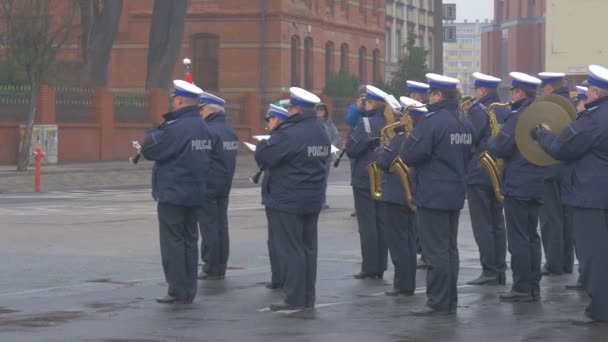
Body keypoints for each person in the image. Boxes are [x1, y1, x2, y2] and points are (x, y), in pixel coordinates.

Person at [535, 64, 608, 324]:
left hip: (590, 196)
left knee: (593, 256)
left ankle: (600, 310)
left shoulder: (592, 120)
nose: (584, 93)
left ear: (597, 93)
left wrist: (541, 135)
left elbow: (562, 148)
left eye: (588, 89)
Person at [400, 73, 472, 316]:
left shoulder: (433, 121)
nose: (428, 98)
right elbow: (468, 155)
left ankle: (438, 301)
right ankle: (449, 300)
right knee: (449, 249)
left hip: (432, 193)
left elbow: (409, 154)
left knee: (435, 252)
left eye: (431, 94)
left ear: (438, 95)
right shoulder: (463, 121)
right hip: (453, 193)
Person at [255, 87, 330, 311]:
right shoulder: (321, 130)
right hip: (312, 197)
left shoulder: (289, 132)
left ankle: (295, 298)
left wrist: (263, 142)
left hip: (288, 198)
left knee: (292, 249)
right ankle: (307, 296)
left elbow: (265, 155)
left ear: (296, 109)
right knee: (308, 248)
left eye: (290, 107)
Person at [140, 80, 211, 304]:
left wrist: (153, 131)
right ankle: (189, 289)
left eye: (174, 100)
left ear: (179, 101)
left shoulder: (175, 128)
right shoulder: (203, 127)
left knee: (173, 243)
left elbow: (150, 148)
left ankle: (177, 290)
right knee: (190, 241)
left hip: (173, 192)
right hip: (195, 191)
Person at [487, 72, 545, 303]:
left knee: (519, 239)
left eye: (512, 90)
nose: (510, 94)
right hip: (536, 182)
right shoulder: (538, 113)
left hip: (518, 184)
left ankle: (521, 287)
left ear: (519, 92)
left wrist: (492, 139)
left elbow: (501, 146)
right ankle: (533, 286)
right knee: (532, 236)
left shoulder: (517, 115)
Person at [374, 96, 425, 296]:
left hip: (395, 195)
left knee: (398, 243)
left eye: (402, 115)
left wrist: (381, 149)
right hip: (409, 194)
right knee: (409, 241)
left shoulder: (401, 138)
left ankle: (402, 284)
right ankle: (407, 282)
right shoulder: (417, 136)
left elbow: (384, 162)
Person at [464, 72, 508, 286]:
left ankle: (489, 270)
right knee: (497, 223)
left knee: (483, 224)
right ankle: (499, 269)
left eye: (475, 91)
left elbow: (469, 137)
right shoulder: (504, 108)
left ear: (481, 91)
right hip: (499, 172)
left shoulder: (477, 111)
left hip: (480, 171)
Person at [345, 85, 391, 280]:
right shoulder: (388, 122)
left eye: (367, 101)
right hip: (382, 177)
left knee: (367, 224)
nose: (364, 104)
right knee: (381, 223)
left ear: (373, 104)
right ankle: (380, 265)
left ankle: (370, 267)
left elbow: (352, 149)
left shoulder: (367, 124)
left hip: (365, 178)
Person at [197, 91, 239, 280]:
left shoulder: (208, 131)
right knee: (222, 226)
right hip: (225, 183)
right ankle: (221, 265)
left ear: (209, 110)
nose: (200, 114)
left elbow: (201, 158)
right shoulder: (229, 131)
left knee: (209, 227)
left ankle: (211, 266)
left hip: (208, 184)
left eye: (201, 110)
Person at [537, 71, 575, 277]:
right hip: (568, 169)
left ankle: (554, 264)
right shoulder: (572, 103)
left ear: (549, 88)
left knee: (551, 219)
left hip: (549, 167)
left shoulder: (547, 106)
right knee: (567, 218)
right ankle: (567, 263)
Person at [261, 104, 290, 290]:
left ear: (278, 120)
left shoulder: (280, 138)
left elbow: (265, 157)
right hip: (276, 194)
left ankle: (281, 278)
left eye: (270, 119)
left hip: (279, 195)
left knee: (280, 241)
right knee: (276, 240)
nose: (268, 123)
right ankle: (279, 276)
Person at [406, 80, 431, 269]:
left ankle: (424, 251)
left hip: (422, 173)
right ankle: (420, 248)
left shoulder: (425, 117)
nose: (411, 98)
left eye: (413, 95)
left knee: (423, 217)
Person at [345, 86, 367, 217]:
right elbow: (349, 120)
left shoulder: (372, 109)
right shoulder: (354, 108)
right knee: (356, 176)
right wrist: (358, 109)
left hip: (368, 146)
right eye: (361, 97)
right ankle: (357, 206)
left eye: (366, 97)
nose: (364, 100)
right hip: (356, 146)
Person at [315, 102, 341, 210]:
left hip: (326, 156)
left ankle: (322, 201)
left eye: (322, 110)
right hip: (314, 155)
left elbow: (337, 137)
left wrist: (332, 146)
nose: (320, 112)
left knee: (324, 179)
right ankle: (315, 200)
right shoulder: (312, 123)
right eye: (318, 110)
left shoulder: (329, 123)